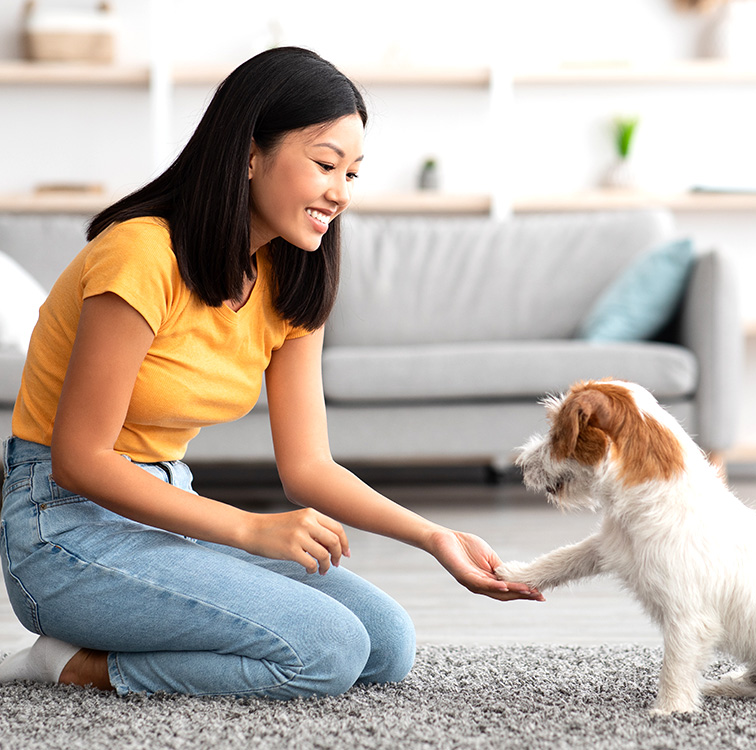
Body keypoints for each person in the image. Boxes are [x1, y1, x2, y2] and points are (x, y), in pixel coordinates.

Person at [0, 47, 542, 700]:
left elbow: (308, 468)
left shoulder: (292, 276)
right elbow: (78, 460)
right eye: (324, 164)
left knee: (387, 642)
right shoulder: (141, 255)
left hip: (170, 516)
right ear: (250, 153)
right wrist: (253, 528)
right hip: (62, 532)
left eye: (353, 174)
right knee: (328, 649)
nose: (340, 193)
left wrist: (435, 536)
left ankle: (141, 627)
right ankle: (70, 663)